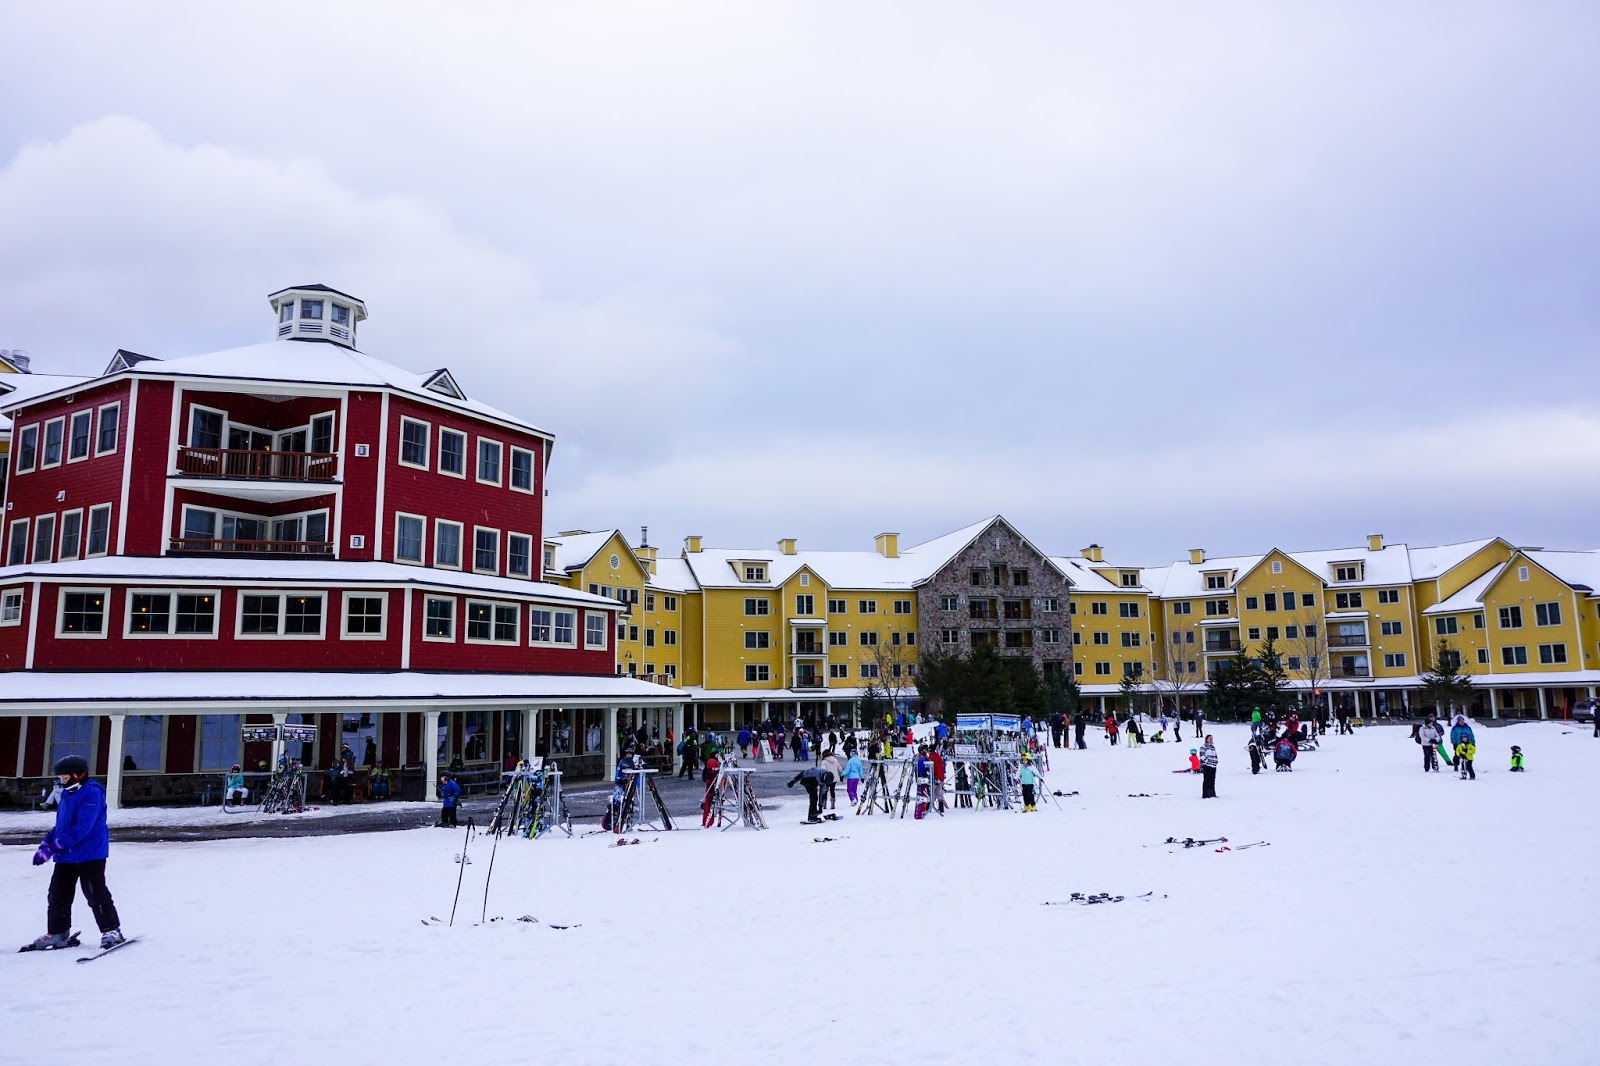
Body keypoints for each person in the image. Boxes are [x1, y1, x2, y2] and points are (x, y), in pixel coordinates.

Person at [24, 756, 125, 952]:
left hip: (90, 853)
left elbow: (82, 829)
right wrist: (46, 846)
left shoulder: (92, 793)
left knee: (95, 892)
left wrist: (55, 847)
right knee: (57, 894)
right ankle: (58, 933)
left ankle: (111, 931)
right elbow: (61, 826)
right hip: (66, 855)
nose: (61, 781)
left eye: (64, 777)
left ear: (77, 775)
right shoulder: (68, 794)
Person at [1450, 715, 1477, 780]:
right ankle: (1456, 765)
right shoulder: (1455, 728)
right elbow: (1452, 735)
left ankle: (1471, 775)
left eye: (1462, 721)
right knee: (1457, 755)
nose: (1462, 722)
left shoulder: (1467, 727)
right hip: (1459, 743)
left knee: (1468, 765)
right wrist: (1454, 743)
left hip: (1468, 745)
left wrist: (1473, 742)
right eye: (1460, 721)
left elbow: (1471, 735)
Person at [700, 749, 721, 828]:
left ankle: (707, 819)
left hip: (709, 783)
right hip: (711, 783)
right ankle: (708, 820)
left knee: (709, 801)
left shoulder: (709, 761)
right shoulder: (712, 762)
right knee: (709, 800)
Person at [912, 746, 932, 820]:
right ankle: (923, 808)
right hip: (923, 778)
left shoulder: (919, 757)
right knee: (924, 793)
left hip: (920, 777)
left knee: (923, 793)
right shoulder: (922, 758)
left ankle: (924, 808)